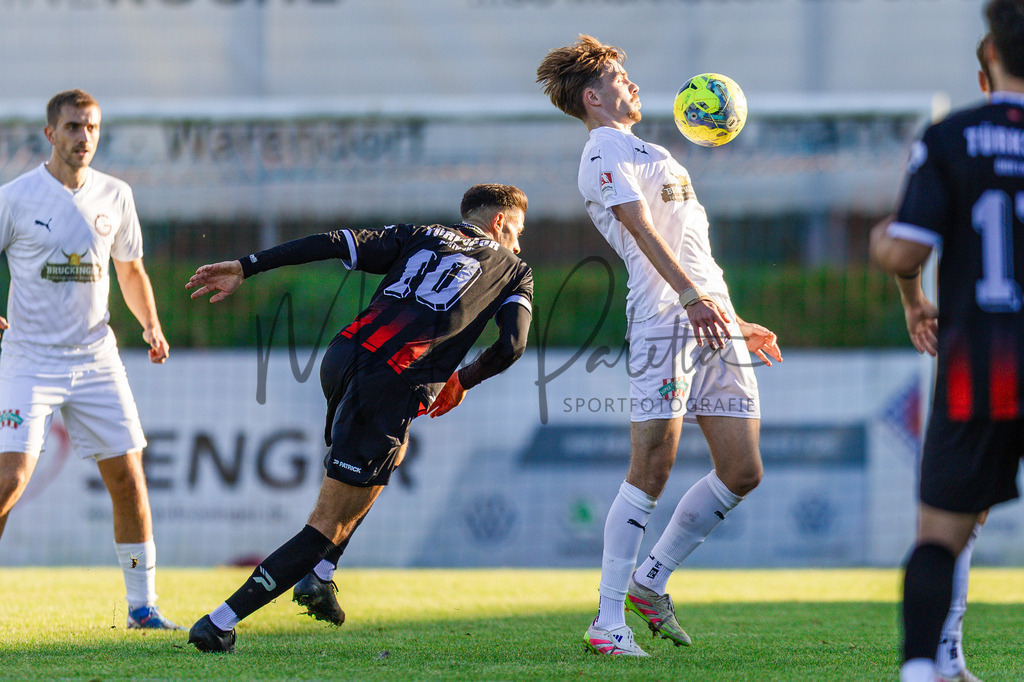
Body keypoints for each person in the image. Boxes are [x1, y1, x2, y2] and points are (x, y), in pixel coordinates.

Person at [185, 183, 533, 652]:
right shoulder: (515, 269)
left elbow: (332, 242)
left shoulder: (422, 233)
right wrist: (462, 381)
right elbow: (512, 346)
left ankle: (322, 576)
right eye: (518, 232)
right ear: (499, 223)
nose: (519, 243)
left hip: (344, 354)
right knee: (326, 524)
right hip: (392, 377)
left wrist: (247, 266)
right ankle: (220, 622)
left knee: (393, 450)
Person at [536, 37, 782, 656]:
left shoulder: (661, 152)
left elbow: (691, 248)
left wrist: (730, 315)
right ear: (593, 97)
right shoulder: (602, 150)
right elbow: (640, 229)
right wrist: (691, 301)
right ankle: (607, 619)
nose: (633, 84)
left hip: (710, 320)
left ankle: (653, 579)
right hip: (663, 322)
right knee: (652, 466)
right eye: (621, 77)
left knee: (743, 469)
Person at [870, 2, 1024, 680]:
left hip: (980, 360)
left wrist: (882, 243)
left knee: (941, 532)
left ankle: (923, 669)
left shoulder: (953, 136)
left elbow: (905, 252)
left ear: (989, 52)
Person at [0, 89, 179, 629]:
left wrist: (151, 324)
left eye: (93, 128)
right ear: (50, 134)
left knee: (129, 477)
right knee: (8, 482)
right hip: (28, 359)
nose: (85, 138)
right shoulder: (15, 197)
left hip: (97, 359)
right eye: (74, 127)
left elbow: (130, 269)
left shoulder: (116, 195)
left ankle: (143, 609)